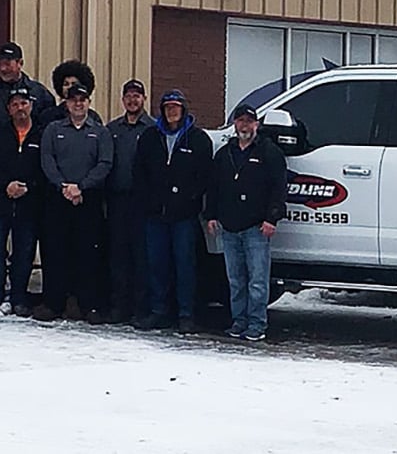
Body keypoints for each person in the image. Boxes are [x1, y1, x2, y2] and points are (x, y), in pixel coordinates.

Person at [133, 89, 214, 333]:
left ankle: (186, 314)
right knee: (157, 265)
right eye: (168, 107)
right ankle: (159, 311)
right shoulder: (150, 137)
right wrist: (148, 201)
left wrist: (189, 199)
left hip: (184, 216)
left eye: (176, 107)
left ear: (184, 109)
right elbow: (139, 173)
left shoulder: (198, 139)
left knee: (185, 265)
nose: (172, 111)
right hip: (155, 214)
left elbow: (205, 177)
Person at [207, 104, 288, 341]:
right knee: (235, 281)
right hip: (229, 227)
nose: (245, 125)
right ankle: (238, 321)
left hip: (257, 228)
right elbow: (214, 187)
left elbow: (278, 187)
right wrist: (211, 215)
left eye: (249, 121)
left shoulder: (269, 152)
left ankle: (256, 324)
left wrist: (271, 218)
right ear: (235, 125)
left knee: (258, 281)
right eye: (240, 121)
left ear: (257, 125)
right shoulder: (224, 154)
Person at [39, 83, 115, 322]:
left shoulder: (99, 132)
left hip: (88, 200)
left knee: (88, 254)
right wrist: (64, 185)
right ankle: (53, 303)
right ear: (66, 103)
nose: (78, 104)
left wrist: (81, 186)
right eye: (73, 100)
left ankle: (89, 304)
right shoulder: (53, 129)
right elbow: (47, 159)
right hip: (58, 198)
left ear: (88, 102)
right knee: (55, 252)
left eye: (82, 99)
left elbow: (105, 163)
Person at [0, 88, 45, 315]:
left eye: (24, 103)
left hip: (29, 203)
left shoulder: (41, 134)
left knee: (24, 252)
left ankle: (19, 296)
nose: (20, 108)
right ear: (9, 109)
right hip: (0, 201)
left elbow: (45, 168)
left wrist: (28, 186)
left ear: (31, 106)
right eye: (15, 104)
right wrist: (6, 185)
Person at [103, 78, 156, 324]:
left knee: (141, 256)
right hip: (116, 200)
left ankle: (141, 308)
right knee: (118, 255)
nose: (132, 100)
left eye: (137, 96)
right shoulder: (112, 129)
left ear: (144, 99)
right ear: (122, 99)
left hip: (142, 202)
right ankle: (118, 306)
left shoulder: (154, 129)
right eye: (128, 96)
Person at [0, 42, 55, 125]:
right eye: (0, 64)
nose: (3, 69)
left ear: (20, 63)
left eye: (7, 64)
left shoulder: (39, 93)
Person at [48, 60, 102, 126]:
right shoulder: (50, 115)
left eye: (74, 84)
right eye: (66, 84)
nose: (69, 87)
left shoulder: (93, 117)